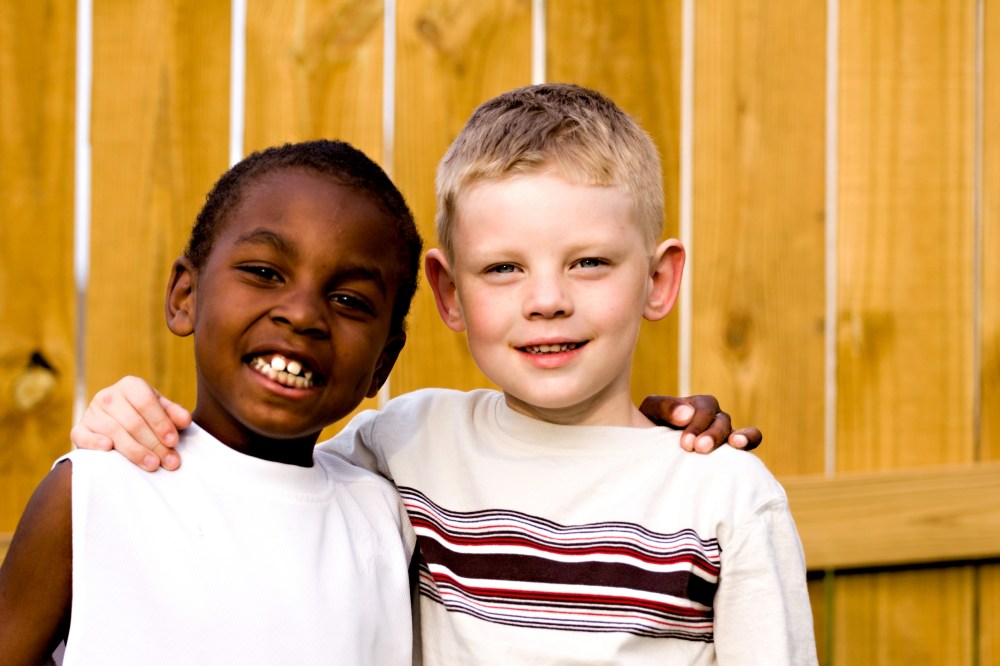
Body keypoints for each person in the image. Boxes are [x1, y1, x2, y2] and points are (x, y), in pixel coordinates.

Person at [69, 84, 811, 664]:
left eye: (589, 262)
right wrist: (122, 413)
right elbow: (256, 487)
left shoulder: (725, 495)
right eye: (503, 268)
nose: (547, 300)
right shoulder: (404, 445)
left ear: (658, 279)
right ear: (449, 294)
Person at [0, 140, 424, 665]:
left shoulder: (385, 521)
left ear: (382, 363)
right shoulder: (94, 491)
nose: (302, 314)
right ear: (186, 297)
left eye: (348, 300)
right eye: (264, 273)